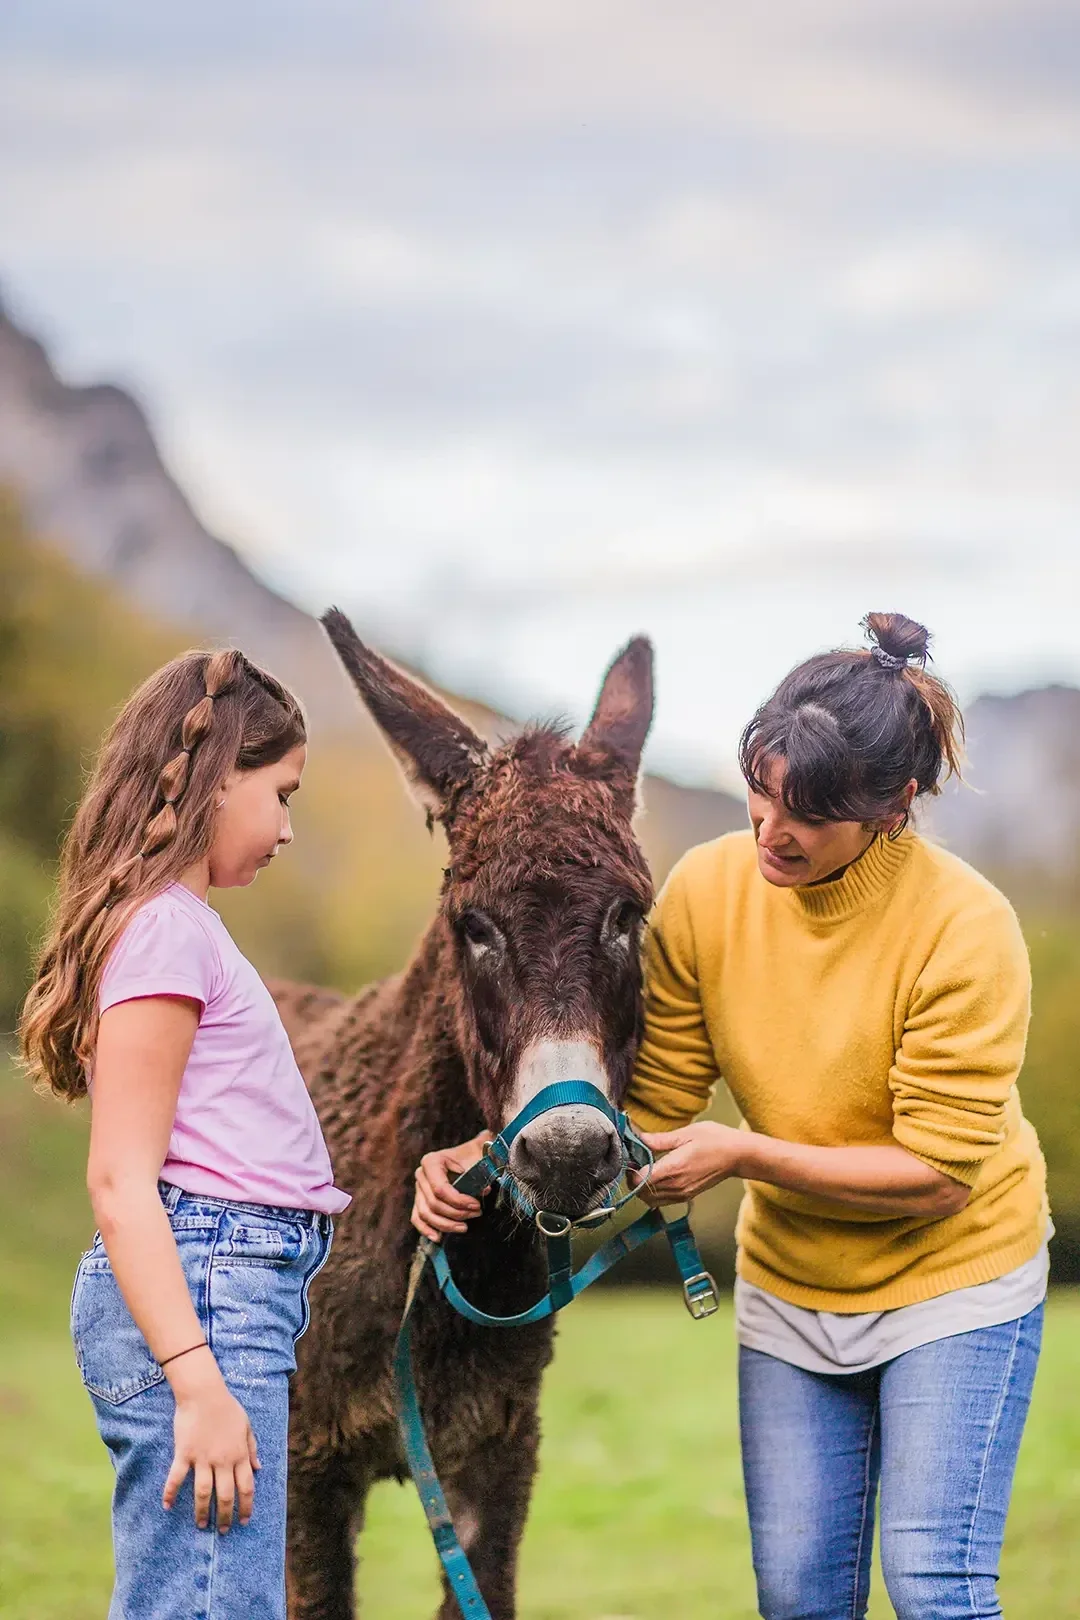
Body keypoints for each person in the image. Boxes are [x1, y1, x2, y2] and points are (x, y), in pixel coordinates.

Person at [412, 613, 1048, 1620]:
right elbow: (653, 1112)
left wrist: (745, 1153)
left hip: (956, 1286)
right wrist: (492, 1158)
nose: (769, 831)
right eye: (759, 791)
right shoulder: (708, 893)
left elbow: (939, 1175)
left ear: (895, 807)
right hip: (794, 1292)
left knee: (936, 1587)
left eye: (807, 815)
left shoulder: (964, 932)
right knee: (798, 1597)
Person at [19, 647, 349, 1620]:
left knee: (205, 1594)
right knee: (213, 1602)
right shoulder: (166, 929)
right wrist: (198, 1384)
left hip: (227, 1286)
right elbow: (122, 1180)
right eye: (281, 793)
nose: (287, 828)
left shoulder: (183, 927)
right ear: (216, 781)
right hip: (210, 1296)